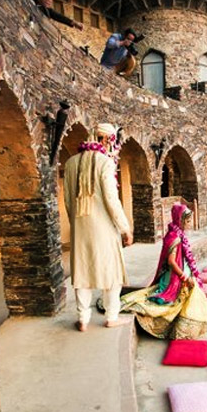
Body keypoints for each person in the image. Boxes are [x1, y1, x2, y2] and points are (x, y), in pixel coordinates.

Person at [63, 123, 132, 331]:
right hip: (104, 228)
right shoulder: (106, 163)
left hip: (80, 227)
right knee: (111, 272)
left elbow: (67, 199)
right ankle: (112, 317)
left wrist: (76, 223)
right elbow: (112, 199)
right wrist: (124, 228)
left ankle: (83, 319)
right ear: (106, 140)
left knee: (82, 272)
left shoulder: (70, 163)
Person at [121, 203, 207, 340]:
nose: (189, 224)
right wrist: (185, 277)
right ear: (179, 220)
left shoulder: (177, 234)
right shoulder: (175, 237)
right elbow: (171, 261)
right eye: (187, 221)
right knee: (182, 298)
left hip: (181, 272)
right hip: (174, 277)